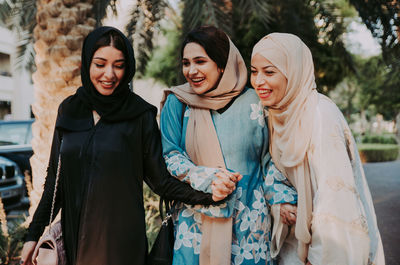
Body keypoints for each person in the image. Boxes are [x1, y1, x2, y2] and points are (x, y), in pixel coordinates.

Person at [20, 26, 227, 265]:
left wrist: (210, 195)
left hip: (120, 244)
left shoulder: (139, 115)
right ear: (87, 63)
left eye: (118, 65)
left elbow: (160, 180)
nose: (109, 74)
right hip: (75, 238)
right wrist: (32, 235)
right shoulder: (69, 110)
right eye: (100, 64)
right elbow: (55, 180)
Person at [160, 25, 297, 265]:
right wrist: (207, 178)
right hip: (196, 225)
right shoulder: (178, 102)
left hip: (249, 226)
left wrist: (282, 198)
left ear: (222, 64)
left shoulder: (256, 102)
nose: (191, 71)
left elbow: (269, 160)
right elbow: (171, 155)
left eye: (200, 61)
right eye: (186, 63)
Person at [250, 32, 385, 265]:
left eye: (269, 72)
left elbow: (335, 197)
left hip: (321, 253)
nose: (258, 81)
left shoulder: (320, 114)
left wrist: (320, 258)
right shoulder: (277, 115)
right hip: (293, 248)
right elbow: (274, 172)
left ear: (293, 72)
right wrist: (280, 201)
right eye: (254, 71)